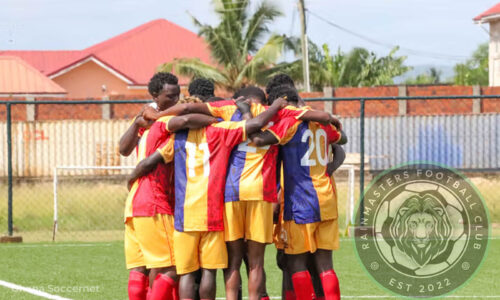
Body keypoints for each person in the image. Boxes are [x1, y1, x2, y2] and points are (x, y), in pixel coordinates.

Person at [130, 96, 288, 300]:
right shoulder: (221, 131)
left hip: (183, 216)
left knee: (186, 274)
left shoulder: (176, 138)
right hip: (212, 213)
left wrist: (132, 178)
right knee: (209, 271)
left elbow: (150, 161)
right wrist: (272, 106)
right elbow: (255, 125)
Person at [252, 85, 345, 300]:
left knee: (296, 262)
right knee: (325, 265)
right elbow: (341, 141)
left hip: (300, 201)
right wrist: (331, 166)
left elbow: (258, 140)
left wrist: (251, 119)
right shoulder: (321, 124)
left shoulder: (289, 123)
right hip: (326, 198)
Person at [120, 72, 180, 300]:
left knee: (143, 267)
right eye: (169, 96)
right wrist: (136, 122)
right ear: (155, 95)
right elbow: (124, 149)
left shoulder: (157, 117)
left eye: (178, 95)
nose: (175, 100)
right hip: (154, 199)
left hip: (137, 201)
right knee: (172, 267)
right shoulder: (160, 123)